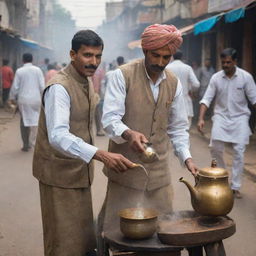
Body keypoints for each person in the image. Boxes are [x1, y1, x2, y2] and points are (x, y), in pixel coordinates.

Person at [32, 30, 134, 256]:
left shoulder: (86, 82)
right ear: (72, 54)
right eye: (87, 55)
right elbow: (57, 136)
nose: (94, 62)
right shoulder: (59, 87)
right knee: (63, 242)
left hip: (78, 173)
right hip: (58, 175)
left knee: (81, 239)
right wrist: (101, 154)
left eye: (98, 56)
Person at [98, 24, 198, 255]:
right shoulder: (121, 75)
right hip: (125, 171)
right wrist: (128, 133)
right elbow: (110, 119)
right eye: (156, 55)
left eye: (166, 57)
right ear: (145, 50)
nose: (161, 62)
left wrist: (187, 158)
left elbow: (178, 128)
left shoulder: (174, 83)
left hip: (159, 174)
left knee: (164, 234)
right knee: (119, 235)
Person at [197, 48, 256, 199]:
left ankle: (235, 186)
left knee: (239, 152)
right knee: (215, 147)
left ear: (236, 62)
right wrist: (201, 118)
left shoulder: (246, 77)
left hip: (240, 118)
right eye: (223, 62)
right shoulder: (216, 78)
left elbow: (254, 100)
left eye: (229, 62)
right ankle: (222, 178)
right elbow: (207, 99)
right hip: (221, 118)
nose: (225, 65)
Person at [9, 53, 45, 151]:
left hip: (23, 100)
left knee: (24, 121)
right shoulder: (38, 70)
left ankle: (26, 144)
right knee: (36, 120)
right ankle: (34, 142)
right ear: (32, 60)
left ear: (23, 60)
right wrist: (44, 98)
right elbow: (42, 86)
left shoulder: (19, 71)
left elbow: (15, 87)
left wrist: (11, 98)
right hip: (36, 99)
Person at [166, 50, 200, 128]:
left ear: (172, 57)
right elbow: (196, 84)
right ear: (182, 57)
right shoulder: (187, 68)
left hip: (170, 103)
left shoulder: (167, 68)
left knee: (171, 131)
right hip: (185, 104)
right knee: (184, 131)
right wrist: (190, 90)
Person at [92, 62, 106, 136]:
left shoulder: (91, 72)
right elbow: (102, 85)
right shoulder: (100, 72)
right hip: (98, 95)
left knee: (96, 113)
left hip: (93, 95)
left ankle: (99, 130)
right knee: (99, 113)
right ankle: (100, 130)